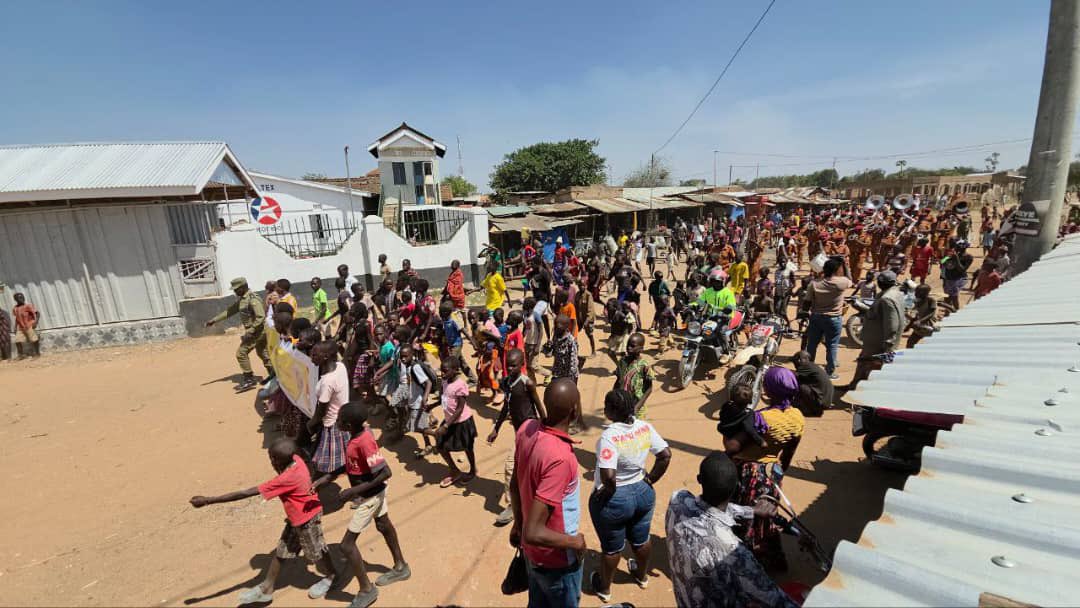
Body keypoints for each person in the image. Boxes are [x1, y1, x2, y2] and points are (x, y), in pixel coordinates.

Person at [189, 438, 339, 604]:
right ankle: (267, 587)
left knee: (317, 551)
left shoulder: (285, 479)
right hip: (296, 518)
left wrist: (209, 500)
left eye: (271, 458)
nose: (271, 462)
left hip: (308, 519)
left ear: (275, 460)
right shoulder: (297, 460)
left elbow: (246, 493)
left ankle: (332, 575)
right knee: (282, 550)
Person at [665, 451, 798, 608]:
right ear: (736, 488)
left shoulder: (678, 500)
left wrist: (751, 511)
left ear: (699, 480)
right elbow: (772, 597)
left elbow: (707, 509)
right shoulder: (734, 551)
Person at [311, 402, 410, 608]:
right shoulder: (354, 437)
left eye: (339, 420)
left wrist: (351, 492)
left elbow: (385, 473)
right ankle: (401, 567)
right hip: (372, 495)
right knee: (383, 525)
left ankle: (366, 590)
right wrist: (327, 478)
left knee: (347, 546)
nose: (336, 423)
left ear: (347, 425)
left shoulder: (364, 441)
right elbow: (350, 463)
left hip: (370, 497)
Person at [588, 389, 672, 603]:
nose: (605, 410)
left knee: (612, 548)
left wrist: (606, 493)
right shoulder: (644, 427)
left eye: (606, 407)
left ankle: (604, 588)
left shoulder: (609, 437)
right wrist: (650, 479)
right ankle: (641, 576)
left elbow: (608, 476)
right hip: (643, 492)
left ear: (612, 411)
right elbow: (665, 455)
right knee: (640, 539)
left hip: (616, 499)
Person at [510, 378, 586, 608]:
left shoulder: (526, 428)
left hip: (532, 555)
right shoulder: (561, 458)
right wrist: (575, 543)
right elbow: (534, 532)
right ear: (574, 411)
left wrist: (518, 523)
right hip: (556, 560)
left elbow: (515, 483)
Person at [718, 368, 805, 570]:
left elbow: (732, 448)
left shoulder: (760, 418)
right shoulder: (798, 417)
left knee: (745, 517)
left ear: (769, 389)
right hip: (772, 473)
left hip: (750, 475)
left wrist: (726, 434)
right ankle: (772, 561)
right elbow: (790, 451)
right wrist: (779, 472)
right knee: (767, 519)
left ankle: (745, 565)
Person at [488, 348, 546, 526]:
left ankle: (520, 504)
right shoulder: (506, 382)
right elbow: (506, 405)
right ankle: (517, 502)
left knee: (512, 467)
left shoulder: (527, 383)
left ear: (522, 365)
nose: (510, 368)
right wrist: (496, 428)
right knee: (519, 468)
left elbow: (539, 408)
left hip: (530, 431)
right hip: (518, 433)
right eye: (508, 365)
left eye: (514, 365)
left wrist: (547, 429)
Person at [844, 271, 905, 391]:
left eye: (882, 281)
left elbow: (892, 324)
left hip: (879, 342)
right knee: (863, 363)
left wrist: (888, 344)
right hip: (874, 340)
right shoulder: (893, 294)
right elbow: (875, 312)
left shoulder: (887, 299)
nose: (879, 283)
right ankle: (854, 385)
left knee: (872, 367)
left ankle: (865, 393)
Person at [205, 278, 270, 391]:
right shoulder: (243, 300)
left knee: (241, 353)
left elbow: (260, 317)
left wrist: (250, 331)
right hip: (258, 331)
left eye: (236, 289)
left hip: (256, 332)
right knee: (263, 353)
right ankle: (274, 376)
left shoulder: (252, 299)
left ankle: (249, 379)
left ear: (244, 287)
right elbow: (230, 311)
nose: (235, 292)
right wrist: (214, 320)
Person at [802, 257, 851, 379]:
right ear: (837, 270)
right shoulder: (842, 282)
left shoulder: (814, 284)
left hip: (816, 318)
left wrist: (803, 314)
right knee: (832, 345)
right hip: (834, 319)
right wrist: (845, 265)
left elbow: (806, 303)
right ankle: (830, 371)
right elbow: (850, 279)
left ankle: (809, 369)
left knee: (812, 345)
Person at [308, 341, 351, 476]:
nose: (311, 358)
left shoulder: (327, 381)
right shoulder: (340, 366)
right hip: (343, 416)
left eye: (315, 355)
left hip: (332, 424)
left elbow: (322, 410)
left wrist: (311, 424)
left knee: (325, 461)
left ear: (325, 357)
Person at [433, 357, 478, 487]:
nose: (442, 373)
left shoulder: (460, 385)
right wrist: (431, 406)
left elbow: (459, 409)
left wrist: (446, 426)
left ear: (455, 370)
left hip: (462, 422)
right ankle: (454, 470)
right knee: (440, 445)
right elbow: (443, 398)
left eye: (445, 371)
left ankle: (472, 470)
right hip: (449, 421)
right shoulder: (444, 382)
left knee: (468, 447)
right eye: (441, 370)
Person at [613, 333, 655, 420]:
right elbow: (618, 381)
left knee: (636, 430)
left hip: (636, 404)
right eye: (628, 345)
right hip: (622, 402)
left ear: (641, 349)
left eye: (632, 346)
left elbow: (649, 388)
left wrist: (637, 407)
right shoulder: (622, 361)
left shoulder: (644, 366)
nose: (629, 348)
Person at [791, 350, 833, 417]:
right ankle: (805, 404)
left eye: (795, 361)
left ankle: (815, 410)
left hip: (821, 401)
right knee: (800, 382)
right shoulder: (812, 366)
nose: (795, 365)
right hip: (825, 400)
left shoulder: (806, 365)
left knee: (802, 387)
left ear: (799, 360)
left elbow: (791, 376)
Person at [941, 241, 974, 310]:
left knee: (954, 297)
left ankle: (956, 311)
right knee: (947, 297)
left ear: (965, 248)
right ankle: (947, 312)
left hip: (958, 278)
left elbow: (962, 270)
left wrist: (956, 259)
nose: (957, 248)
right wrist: (947, 257)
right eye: (957, 246)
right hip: (948, 278)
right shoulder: (952, 255)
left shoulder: (969, 257)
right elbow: (942, 262)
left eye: (960, 247)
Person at [905, 283, 939, 348]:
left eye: (918, 292)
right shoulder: (918, 301)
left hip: (930, 326)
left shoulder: (931, 300)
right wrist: (908, 326)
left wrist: (920, 321)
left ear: (925, 293)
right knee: (910, 342)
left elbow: (931, 313)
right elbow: (917, 315)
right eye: (916, 291)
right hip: (920, 327)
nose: (915, 293)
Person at [11, 292, 40, 359]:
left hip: (29, 325)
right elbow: (17, 318)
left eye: (22, 297)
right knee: (17, 340)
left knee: (34, 339)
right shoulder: (15, 308)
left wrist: (36, 322)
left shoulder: (28, 306)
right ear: (15, 299)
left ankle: (37, 353)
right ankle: (21, 355)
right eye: (20, 297)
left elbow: (37, 313)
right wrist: (15, 327)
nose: (22, 299)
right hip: (21, 327)